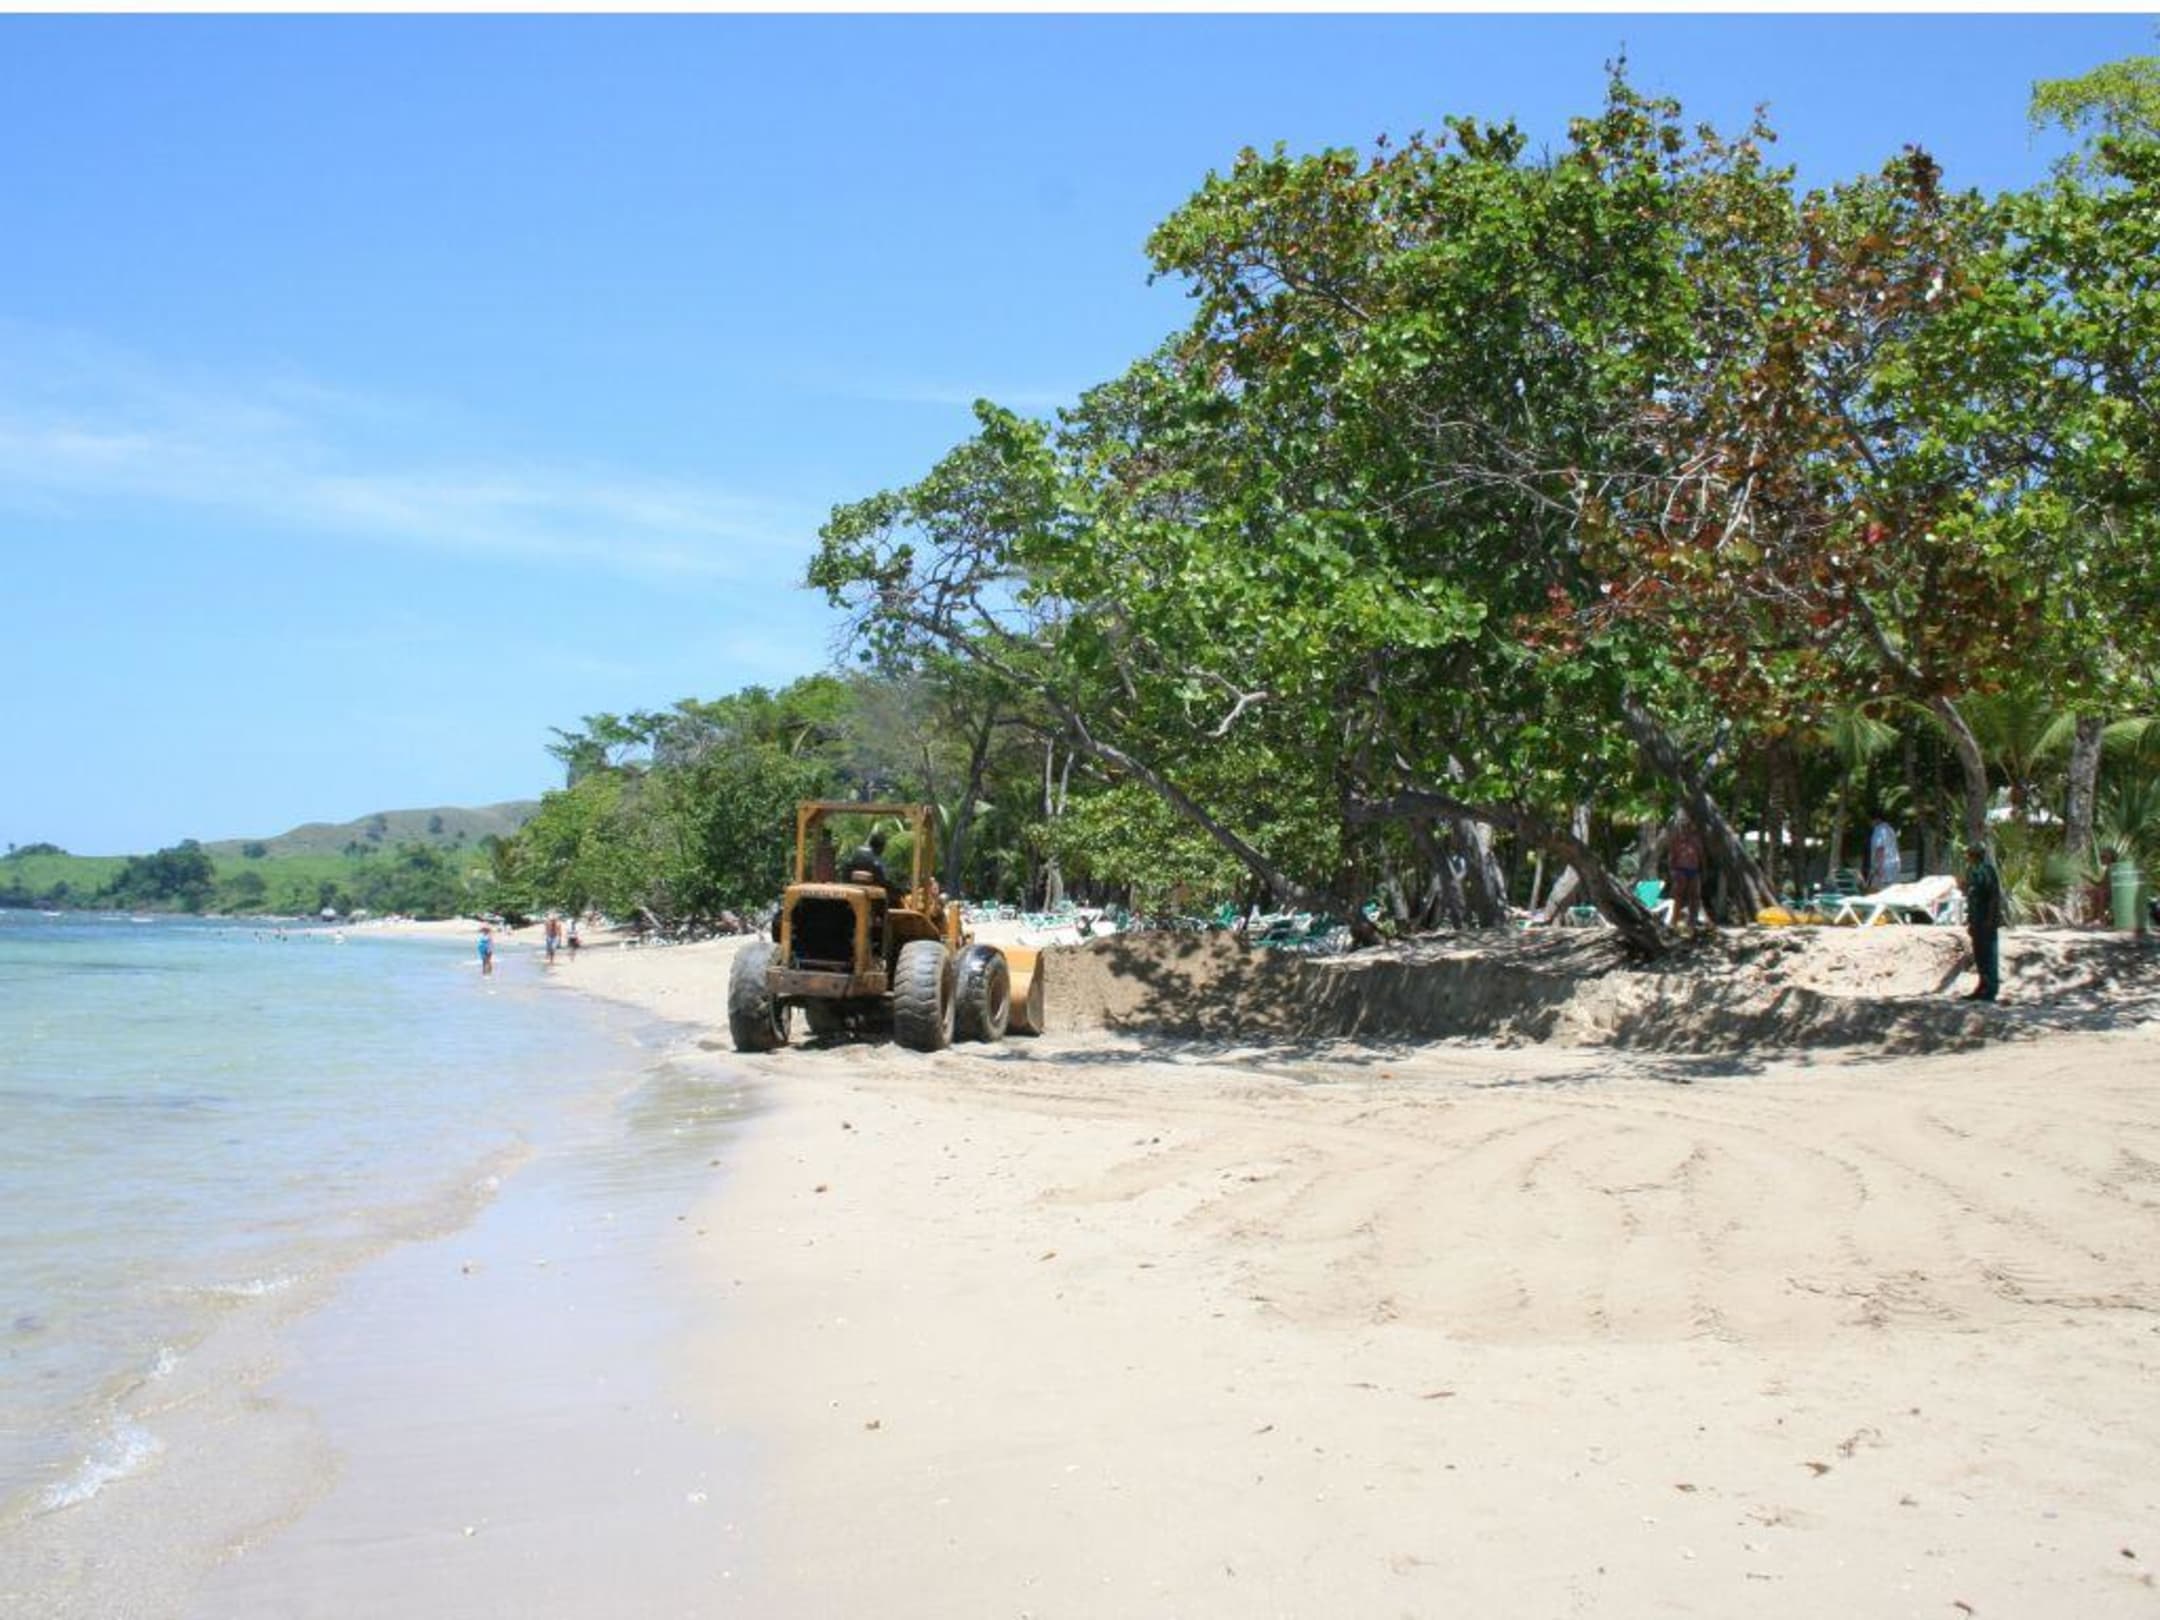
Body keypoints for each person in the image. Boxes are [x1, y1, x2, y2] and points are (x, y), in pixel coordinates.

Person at [1962, 839, 2003, 1002]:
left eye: (1970, 853)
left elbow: (1993, 897)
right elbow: (1971, 896)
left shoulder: (1987, 870)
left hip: (1986, 918)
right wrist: (1970, 920)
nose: (1968, 856)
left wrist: (1990, 919)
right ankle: (1982, 985)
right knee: (1979, 955)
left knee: (1989, 955)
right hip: (1976, 918)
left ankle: (1991, 989)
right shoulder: (1971, 870)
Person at [1667, 810, 1707, 933]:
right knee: (1679, 896)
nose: (1687, 829)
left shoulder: (1696, 839)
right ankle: (1674, 921)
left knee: (1694, 896)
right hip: (1680, 870)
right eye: (1684, 826)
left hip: (1694, 870)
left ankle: (1692, 922)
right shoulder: (1677, 840)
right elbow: (1672, 856)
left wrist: (1703, 870)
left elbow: (1701, 856)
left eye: (1689, 826)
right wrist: (1672, 871)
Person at [1868, 809, 1903, 893]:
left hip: (1884, 866)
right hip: (1894, 863)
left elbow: (1880, 849)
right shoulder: (1890, 829)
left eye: (1871, 820)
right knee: (1892, 890)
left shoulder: (1879, 830)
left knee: (1879, 891)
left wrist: (1879, 868)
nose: (1870, 823)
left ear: (1876, 820)